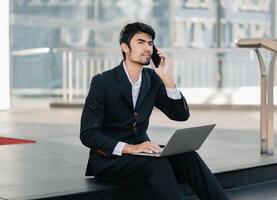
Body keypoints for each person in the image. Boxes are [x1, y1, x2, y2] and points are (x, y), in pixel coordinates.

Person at [80, 22, 229, 200]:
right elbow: (88, 134)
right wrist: (131, 148)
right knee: (158, 166)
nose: (147, 48)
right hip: (110, 160)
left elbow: (180, 115)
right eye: (141, 42)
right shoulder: (103, 81)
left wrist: (166, 78)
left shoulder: (152, 79)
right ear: (125, 47)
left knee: (189, 156)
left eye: (150, 43)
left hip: (144, 154)